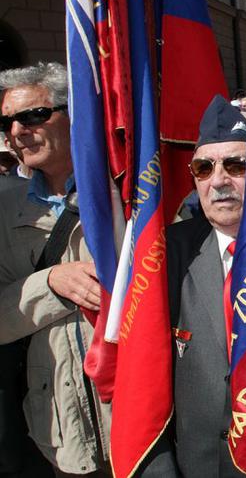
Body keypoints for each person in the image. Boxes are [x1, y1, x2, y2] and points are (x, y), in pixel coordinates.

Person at [0, 62, 110, 476]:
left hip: (141, 414)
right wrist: (49, 283)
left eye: (33, 115)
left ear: (75, 113)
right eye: (8, 122)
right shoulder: (5, 209)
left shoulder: (131, 190)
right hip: (59, 433)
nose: (17, 131)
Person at [140, 95, 246, 477]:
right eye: (204, 168)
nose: (218, 181)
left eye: (235, 165)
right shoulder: (165, 254)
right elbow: (140, 377)